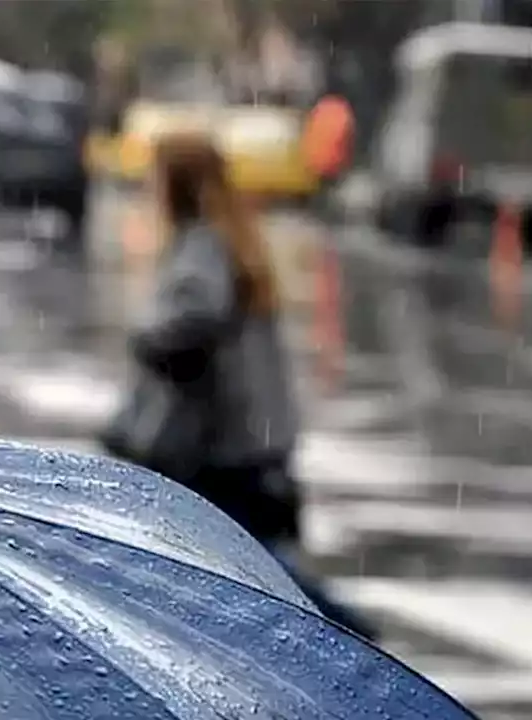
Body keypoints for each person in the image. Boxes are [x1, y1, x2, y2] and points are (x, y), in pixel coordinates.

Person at [102, 131, 376, 639]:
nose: (148, 190)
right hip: (249, 444)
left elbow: (193, 317)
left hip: (221, 449)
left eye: (153, 180)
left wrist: (148, 337)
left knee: (250, 573)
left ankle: (347, 636)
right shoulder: (226, 240)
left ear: (175, 187)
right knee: (251, 571)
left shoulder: (202, 247)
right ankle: (338, 637)